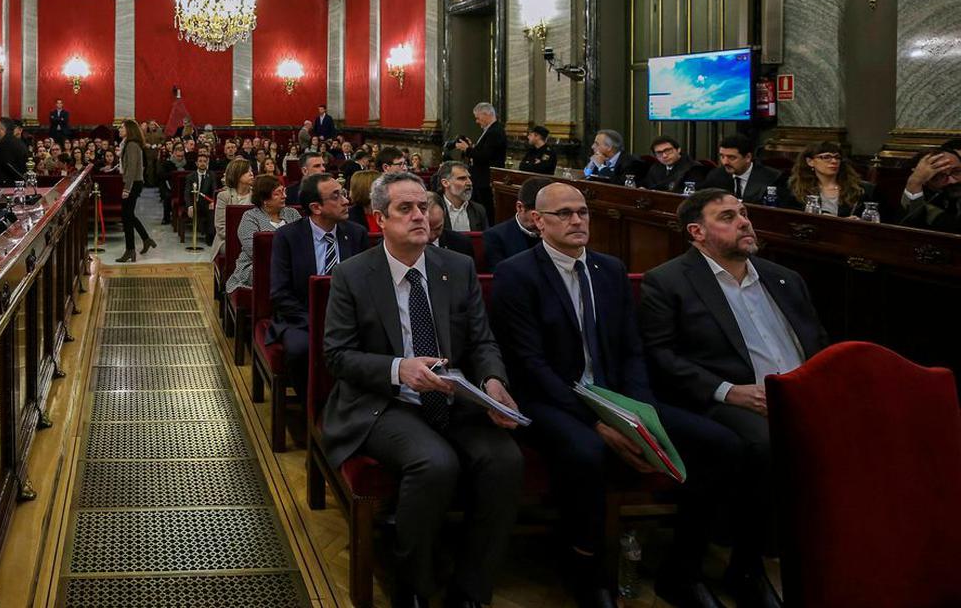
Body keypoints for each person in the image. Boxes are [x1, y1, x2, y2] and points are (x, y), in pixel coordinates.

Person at [491, 183, 754, 608]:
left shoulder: (609, 269)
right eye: (564, 214)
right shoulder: (517, 273)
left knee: (721, 444)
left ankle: (683, 570)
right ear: (538, 222)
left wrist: (640, 415)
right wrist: (598, 421)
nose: (577, 221)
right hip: (551, 399)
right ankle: (587, 570)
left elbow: (633, 349)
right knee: (587, 451)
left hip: (617, 398)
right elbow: (530, 365)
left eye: (583, 212)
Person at [322, 171, 523, 608]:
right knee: (435, 463)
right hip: (384, 402)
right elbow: (337, 356)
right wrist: (399, 368)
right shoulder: (354, 275)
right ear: (379, 220)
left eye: (423, 206)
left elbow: (482, 339)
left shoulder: (457, 266)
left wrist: (493, 381)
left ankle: (471, 588)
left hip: (453, 396)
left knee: (504, 460)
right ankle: (411, 584)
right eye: (405, 209)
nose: (421, 216)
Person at [638, 189, 829, 608]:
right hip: (726, 398)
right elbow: (662, 357)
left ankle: (837, 560)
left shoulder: (783, 277)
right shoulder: (668, 281)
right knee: (761, 444)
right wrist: (729, 391)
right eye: (727, 216)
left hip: (801, 393)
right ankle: (746, 567)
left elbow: (816, 341)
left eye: (744, 213)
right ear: (697, 232)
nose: (744, 221)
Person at [268, 172, 368, 399]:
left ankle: (354, 406)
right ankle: (314, 413)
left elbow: (366, 286)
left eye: (343, 193)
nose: (346, 201)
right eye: (336, 196)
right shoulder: (288, 237)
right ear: (316, 207)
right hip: (302, 318)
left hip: (349, 318)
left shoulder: (356, 234)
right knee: (300, 350)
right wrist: (316, 322)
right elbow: (280, 293)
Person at [225, 175, 301, 294]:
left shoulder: (292, 214)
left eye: (284, 191)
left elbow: (302, 242)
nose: (284, 196)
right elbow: (255, 251)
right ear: (265, 200)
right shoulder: (250, 217)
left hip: (292, 265)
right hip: (256, 267)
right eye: (278, 193)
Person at [700, 134, 794, 206]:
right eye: (722, 156)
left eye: (731, 157)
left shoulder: (773, 178)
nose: (725, 162)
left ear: (748, 157)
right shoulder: (716, 176)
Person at [787, 141, 876, 217]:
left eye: (837, 157)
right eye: (826, 157)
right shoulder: (794, 187)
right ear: (810, 162)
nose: (834, 161)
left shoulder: (862, 190)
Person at [482, 176, 553, 270]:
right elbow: (502, 277)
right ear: (520, 208)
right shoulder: (495, 236)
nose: (543, 222)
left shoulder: (559, 232)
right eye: (538, 217)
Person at [116, 119, 156, 263]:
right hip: (133, 183)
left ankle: (130, 250)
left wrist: (127, 189)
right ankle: (146, 240)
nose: (119, 129)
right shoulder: (128, 144)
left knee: (127, 217)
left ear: (129, 129)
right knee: (128, 215)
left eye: (122, 127)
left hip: (133, 184)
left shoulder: (132, 145)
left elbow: (132, 168)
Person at [456, 102, 507, 212]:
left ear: (486, 114)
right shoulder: (490, 130)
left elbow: (486, 156)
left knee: (485, 209)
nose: (477, 121)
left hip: (486, 178)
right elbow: (485, 151)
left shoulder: (495, 131)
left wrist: (467, 149)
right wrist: (472, 147)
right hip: (480, 178)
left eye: (478, 118)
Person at [898, 148, 961, 233]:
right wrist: (915, 182)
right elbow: (908, 229)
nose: (952, 181)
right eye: (939, 176)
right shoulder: (924, 197)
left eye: (957, 172)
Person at [433, 161, 488, 232]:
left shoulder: (478, 210)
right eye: (462, 178)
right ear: (445, 183)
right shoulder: (433, 209)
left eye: (469, 178)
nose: (469, 183)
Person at [643, 136, 708, 194]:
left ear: (678, 150)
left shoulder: (694, 168)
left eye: (668, 150)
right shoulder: (655, 167)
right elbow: (647, 186)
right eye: (659, 153)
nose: (664, 156)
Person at [213, 158, 254, 248]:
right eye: (247, 171)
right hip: (227, 239)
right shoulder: (224, 196)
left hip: (251, 239)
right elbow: (221, 227)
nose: (252, 174)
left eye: (251, 170)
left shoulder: (257, 194)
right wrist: (242, 239)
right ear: (237, 175)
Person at [426, 191, 475, 264]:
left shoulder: (462, 244)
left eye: (437, 228)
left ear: (444, 215)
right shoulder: (405, 245)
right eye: (427, 229)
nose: (431, 236)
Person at [183, 153, 219, 245]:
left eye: (204, 161)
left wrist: (213, 202)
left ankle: (210, 237)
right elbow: (187, 193)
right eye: (200, 161)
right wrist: (189, 206)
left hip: (207, 203)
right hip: (195, 203)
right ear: (196, 163)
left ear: (207, 163)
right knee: (196, 215)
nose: (202, 163)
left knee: (212, 212)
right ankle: (202, 229)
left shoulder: (211, 175)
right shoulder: (190, 176)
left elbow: (214, 190)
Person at [0, 117, 29, 187]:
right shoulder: (19, 142)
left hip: (7, 188)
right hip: (19, 185)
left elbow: (0, 170)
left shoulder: (4, 146)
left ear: (3, 129)